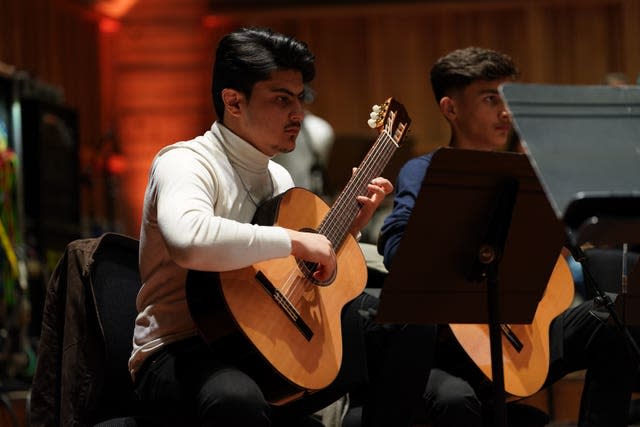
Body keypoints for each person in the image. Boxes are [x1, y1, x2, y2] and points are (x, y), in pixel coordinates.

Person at [129, 27, 435, 427]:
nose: (298, 114)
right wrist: (297, 241)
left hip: (262, 338)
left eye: (299, 98)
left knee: (407, 321)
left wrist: (347, 231)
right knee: (235, 398)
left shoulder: (278, 178)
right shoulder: (186, 162)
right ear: (233, 102)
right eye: (281, 99)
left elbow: (288, 276)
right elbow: (190, 240)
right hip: (180, 349)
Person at [377, 46, 639, 427]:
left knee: (616, 317)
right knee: (455, 399)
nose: (506, 112)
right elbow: (398, 252)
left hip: (521, 331)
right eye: (489, 99)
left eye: (508, 99)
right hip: (457, 347)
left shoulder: (531, 172)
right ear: (450, 109)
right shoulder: (424, 171)